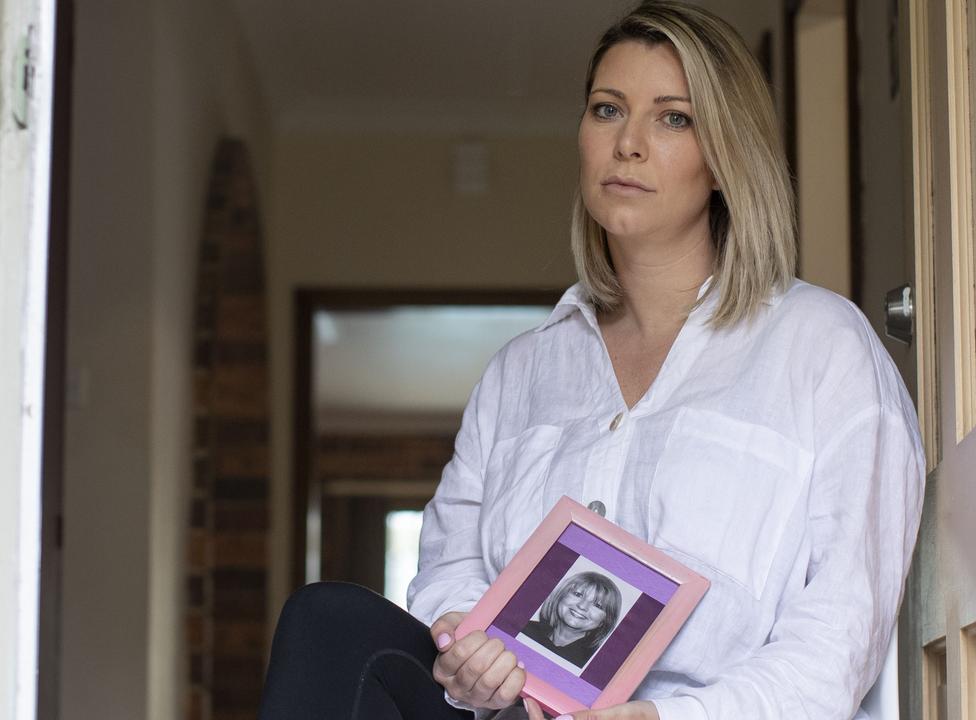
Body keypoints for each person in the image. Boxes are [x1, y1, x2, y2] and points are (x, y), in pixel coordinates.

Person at [259, 2, 924, 719]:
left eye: (674, 118)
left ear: (727, 156)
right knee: (327, 621)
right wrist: (467, 642)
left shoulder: (820, 346)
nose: (628, 143)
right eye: (608, 110)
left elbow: (840, 635)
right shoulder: (520, 375)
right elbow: (449, 576)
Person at [520, 572, 623, 667]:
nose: (582, 606)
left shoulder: (595, 664)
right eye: (578, 595)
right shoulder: (524, 628)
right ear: (560, 596)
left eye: (597, 605)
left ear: (605, 621)